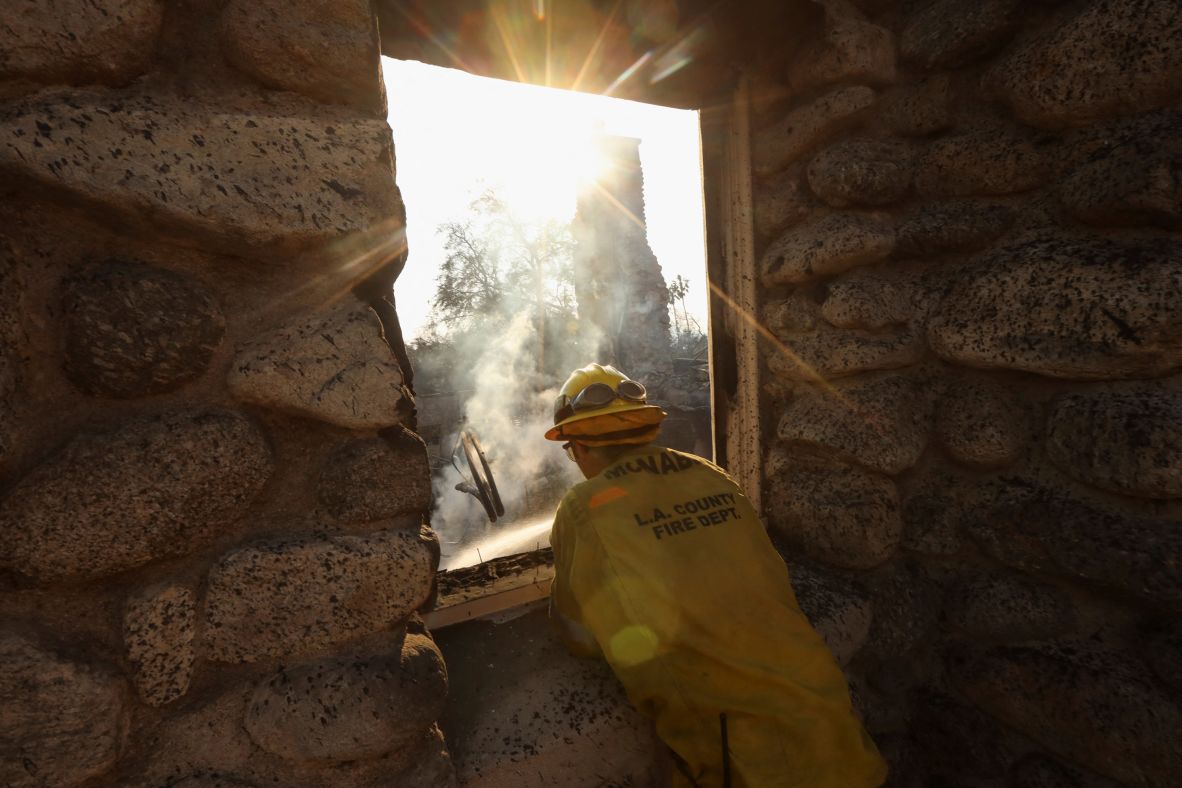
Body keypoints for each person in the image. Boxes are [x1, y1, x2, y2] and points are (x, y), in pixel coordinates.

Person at [544, 363, 887, 788]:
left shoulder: (584, 507)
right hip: (828, 717)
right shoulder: (710, 475)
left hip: (747, 758)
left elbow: (580, 636)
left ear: (578, 445)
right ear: (643, 428)